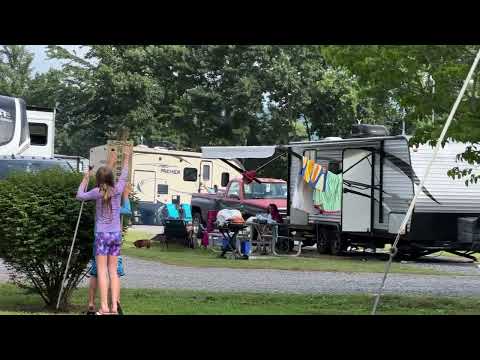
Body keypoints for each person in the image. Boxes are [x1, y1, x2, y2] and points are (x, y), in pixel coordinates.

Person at [77, 146, 131, 315]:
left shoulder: (96, 192)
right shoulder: (118, 189)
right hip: (115, 235)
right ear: (111, 179)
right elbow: (124, 175)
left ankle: (104, 307)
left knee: (101, 271)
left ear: (99, 180)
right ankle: (114, 307)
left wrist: (86, 178)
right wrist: (127, 158)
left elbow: (79, 195)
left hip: (101, 236)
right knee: (113, 271)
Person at [86, 183, 132, 315]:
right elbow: (127, 210)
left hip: (99, 239)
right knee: (114, 272)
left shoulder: (99, 204)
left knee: (96, 272)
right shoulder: (116, 206)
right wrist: (126, 195)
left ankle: (91, 303)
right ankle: (115, 303)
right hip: (112, 239)